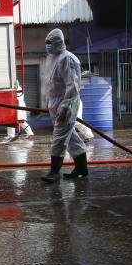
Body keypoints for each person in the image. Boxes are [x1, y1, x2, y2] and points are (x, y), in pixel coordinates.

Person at [40, 28, 87, 182]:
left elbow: (72, 86)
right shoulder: (53, 58)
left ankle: (54, 172)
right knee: (71, 136)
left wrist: (65, 105)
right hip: (56, 103)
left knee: (59, 137)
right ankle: (81, 168)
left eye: (50, 43)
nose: (47, 46)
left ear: (58, 43)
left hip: (66, 103)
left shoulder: (66, 59)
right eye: (46, 43)